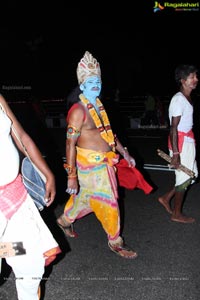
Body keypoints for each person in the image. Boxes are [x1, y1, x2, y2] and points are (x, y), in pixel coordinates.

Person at [57, 51, 138, 259]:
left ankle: (64, 220)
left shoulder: (100, 107)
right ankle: (115, 241)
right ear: (82, 86)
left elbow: (109, 135)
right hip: (89, 168)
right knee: (108, 202)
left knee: (85, 199)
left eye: (98, 81)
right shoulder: (78, 111)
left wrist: (124, 153)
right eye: (91, 81)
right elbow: (69, 143)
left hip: (104, 164)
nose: (95, 84)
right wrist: (72, 176)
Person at [0, 94, 61, 299]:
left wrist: (46, 173)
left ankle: (4, 251)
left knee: (28, 262)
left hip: (14, 197)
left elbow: (21, 136)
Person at [158, 64, 199, 223]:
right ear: (183, 80)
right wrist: (176, 154)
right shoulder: (178, 100)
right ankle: (176, 214)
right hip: (180, 144)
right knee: (183, 178)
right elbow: (173, 128)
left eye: (196, 76)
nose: (196, 79)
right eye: (192, 77)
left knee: (190, 175)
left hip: (187, 141)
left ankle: (166, 198)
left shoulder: (187, 98)